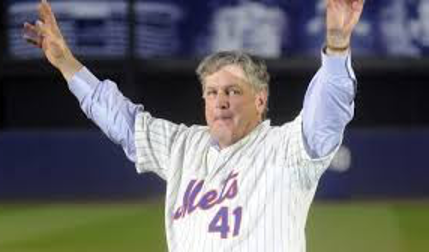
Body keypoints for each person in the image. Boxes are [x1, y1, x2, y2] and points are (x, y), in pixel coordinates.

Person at [23, 0, 364, 251]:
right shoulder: (183, 147)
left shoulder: (287, 148)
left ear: (260, 100)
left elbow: (327, 113)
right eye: (212, 92)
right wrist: (66, 63)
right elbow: (122, 121)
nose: (221, 101)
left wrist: (336, 47)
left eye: (233, 91)